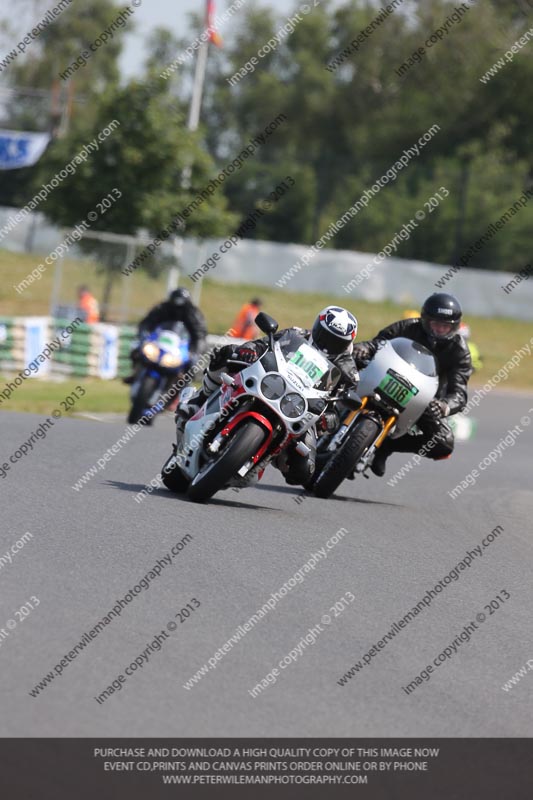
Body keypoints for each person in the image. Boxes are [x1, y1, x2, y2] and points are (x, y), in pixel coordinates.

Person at [177, 306, 359, 486]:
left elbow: (339, 409)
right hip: (272, 382)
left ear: (346, 344)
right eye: (325, 336)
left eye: (336, 342)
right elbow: (264, 344)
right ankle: (198, 400)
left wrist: (327, 420)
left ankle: (261, 458)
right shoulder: (297, 334)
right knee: (226, 355)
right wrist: (250, 350)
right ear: (317, 328)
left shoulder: (349, 372)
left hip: (301, 407)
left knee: (304, 471)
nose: (327, 344)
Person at [352, 293, 472, 477]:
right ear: (426, 320)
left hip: (423, 398)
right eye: (436, 324)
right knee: (348, 369)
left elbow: (459, 393)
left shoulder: (460, 351)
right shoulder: (408, 327)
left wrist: (444, 406)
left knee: (443, 444)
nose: (440, 330)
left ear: (454, 327)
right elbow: (379, 342)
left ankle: (386, 446)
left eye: (445, 326)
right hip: (385, 377)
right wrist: (364, 348)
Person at [123, 288, 207, 384]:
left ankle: (181, 385)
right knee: (137, 349)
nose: (177, 308)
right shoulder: (162, 308)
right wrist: (143, 336)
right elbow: (147, 322)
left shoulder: (193, 314)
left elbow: (200, 334)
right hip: (159, 340)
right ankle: (135, 372)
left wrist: (194, 351)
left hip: (181, 345)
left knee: (193, 364)